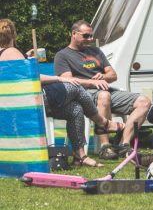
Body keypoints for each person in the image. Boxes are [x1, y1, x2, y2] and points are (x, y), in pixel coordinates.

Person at [0, 18, 122, 167]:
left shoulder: (7, 53)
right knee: (74, 86)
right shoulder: (12, 52)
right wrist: (59, 78)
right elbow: (32, 77)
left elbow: (17, 73)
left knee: (75, 109)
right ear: (13, 34)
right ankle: (103, 122)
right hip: (34, 100)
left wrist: (27, 57)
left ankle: (80, 156)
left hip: (21, 102)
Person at [54, 19, 151, 160]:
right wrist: (93, 83)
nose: (90, 39)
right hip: (84, 95)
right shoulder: (62, 56)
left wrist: (103, 76)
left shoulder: (96, 51)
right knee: (104, 96)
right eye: (86, 36)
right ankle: (105, 146)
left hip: (107, 90)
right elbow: (68, 81)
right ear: (74, 34)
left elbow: (113, 75)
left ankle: (124, 145)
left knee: (144, 102)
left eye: (91, 36)